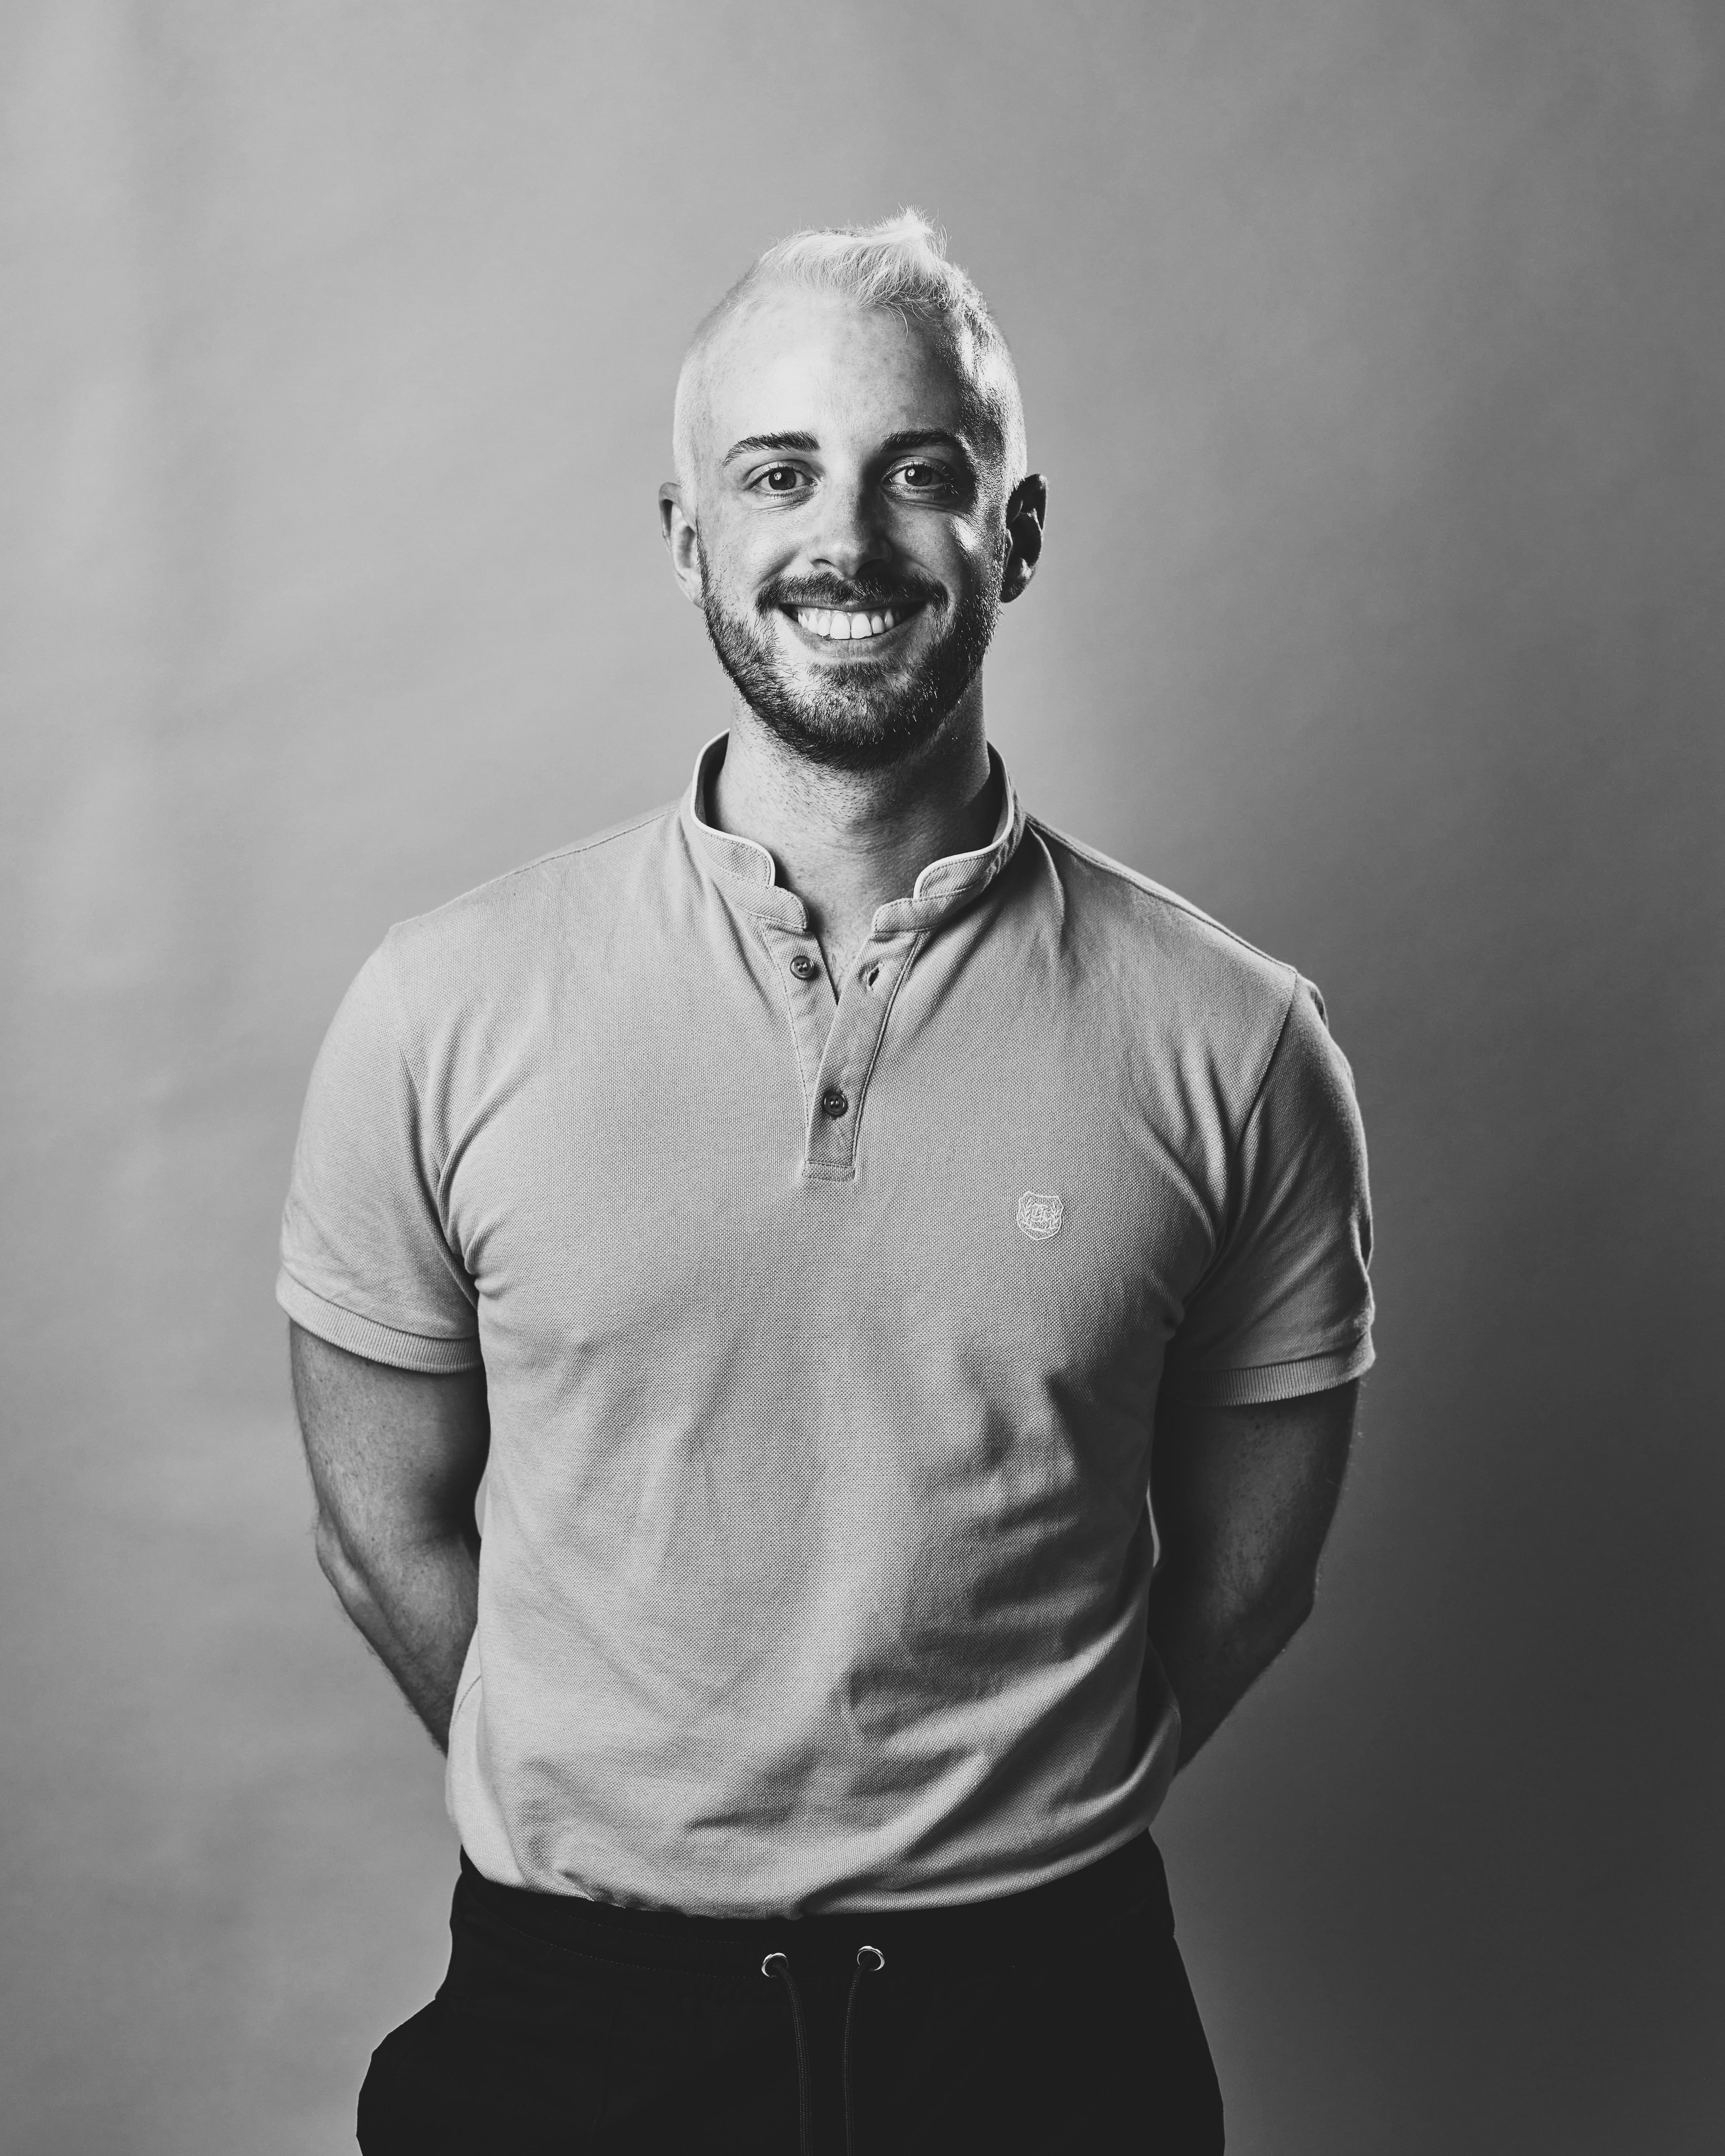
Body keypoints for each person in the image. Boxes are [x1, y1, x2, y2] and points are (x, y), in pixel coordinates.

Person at [280, 210, 1374, 2155]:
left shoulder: (1239, 1040)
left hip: (1045, 2029)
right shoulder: (439, 1006)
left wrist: (999, 1825)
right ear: (686, 533)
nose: (846, 540)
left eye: (919, 473)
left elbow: (1253, 1570)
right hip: (574, 2026)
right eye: (777, 474)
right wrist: (625, 1811)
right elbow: (383, 1534)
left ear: (1015, 534)